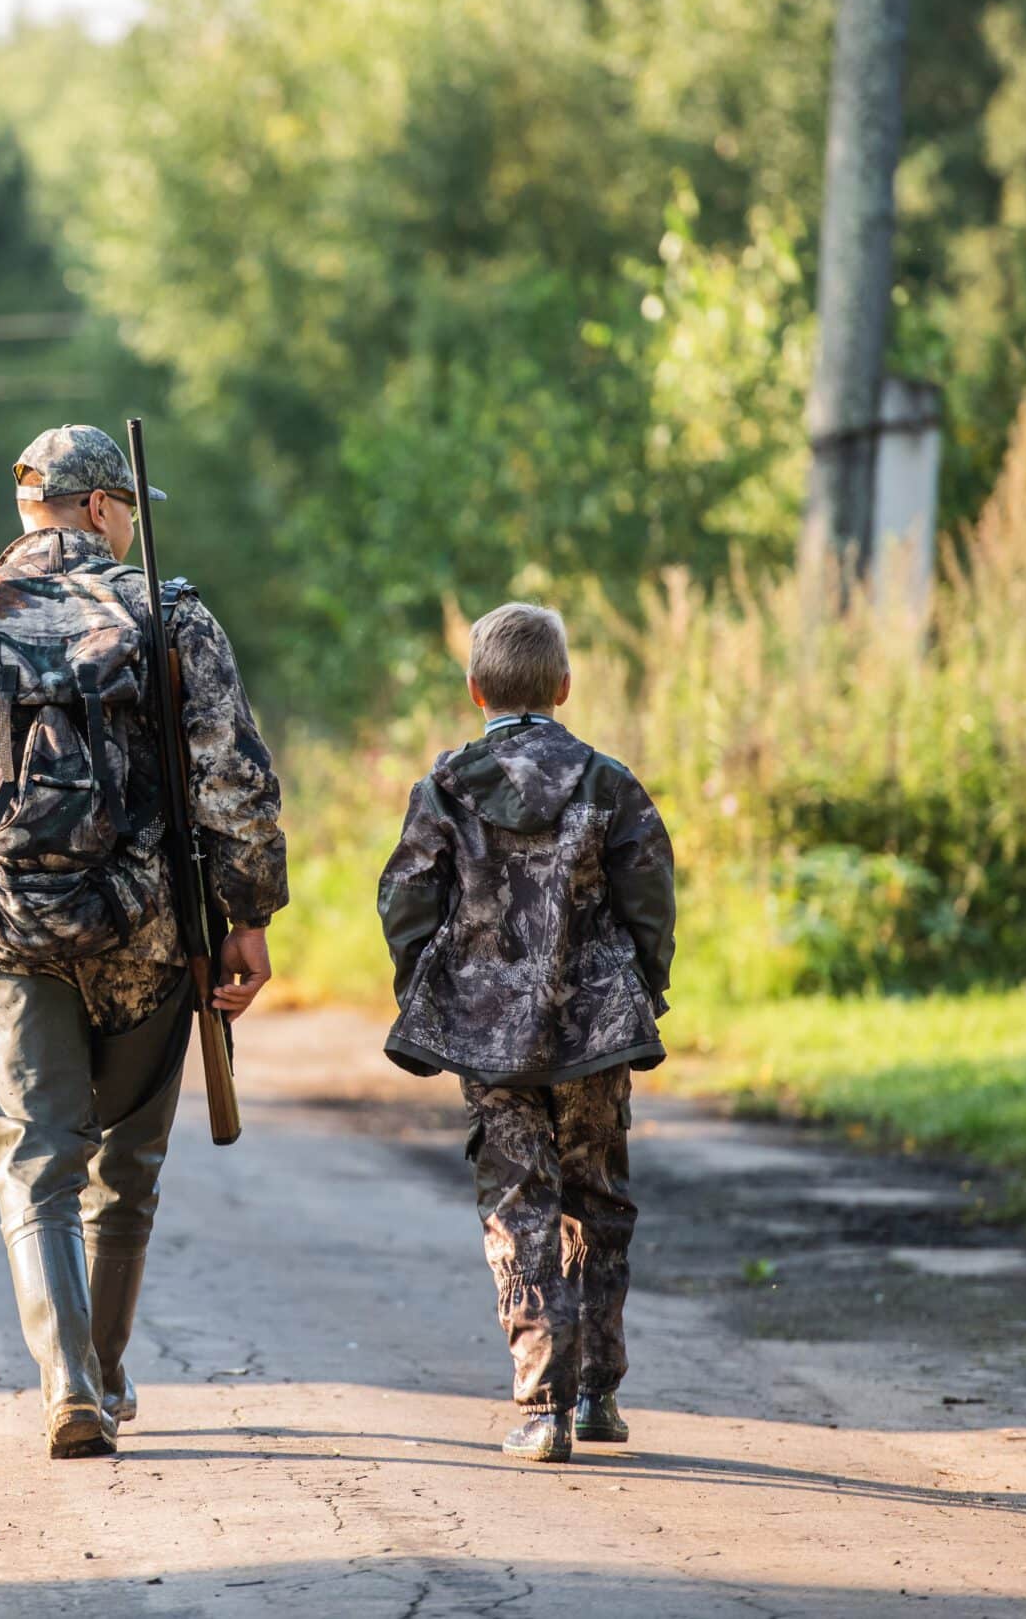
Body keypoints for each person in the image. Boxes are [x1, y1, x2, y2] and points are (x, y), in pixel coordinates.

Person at [0, 423, 287, 1460]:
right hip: (145, 929)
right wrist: (247, 916)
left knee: (34, 1161)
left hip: (3, 926)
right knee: (126, 1161)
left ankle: (70, 1386)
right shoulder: (168, 615)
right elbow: (232, 779)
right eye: (129, 507)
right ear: (101, 508)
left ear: (28, 509)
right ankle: (102, 1363)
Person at [376, 602, 675, 1463]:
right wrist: (641, 987)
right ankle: (598, 1396)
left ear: (475, 690)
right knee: (598, 1198)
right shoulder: (606, 781)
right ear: (566, 687)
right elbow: (650, 896)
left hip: (489, 1035)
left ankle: (541, 1407)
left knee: (519, 1202)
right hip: (597, 1032)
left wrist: (430, 987)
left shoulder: (444, 787)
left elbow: (406, 899)